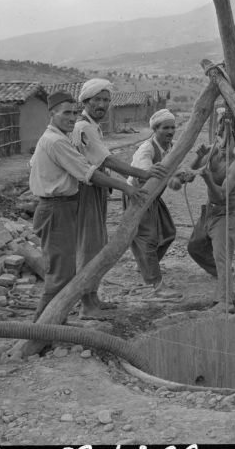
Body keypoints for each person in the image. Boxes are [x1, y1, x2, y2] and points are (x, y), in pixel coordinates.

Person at [28, 90, 147, 322]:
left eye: (74, 113)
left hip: (62, 207)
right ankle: (40, 331)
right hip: (56, 209)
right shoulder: (56, 141)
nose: (72, 118)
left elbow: (34, 164)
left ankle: (53, 326)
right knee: (60, 277)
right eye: (66, 113)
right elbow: (89, 172)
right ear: (52, 113)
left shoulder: (58, 138)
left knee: (63, 272)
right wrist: (127, 187)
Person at [70, 78, 167, 319]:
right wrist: (139, 175)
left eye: (106, 100)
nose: (102, 104)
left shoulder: (92, 125)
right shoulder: (84, 128)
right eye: (97, 100)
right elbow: (106, 161)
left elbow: (104, 160)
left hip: (96, 190)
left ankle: (93, 298)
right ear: (86, 101)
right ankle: (87, 305)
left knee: (96, 245)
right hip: (87, 192)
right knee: (89, 248)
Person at [185, 109, 235, 313]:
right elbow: (188, 176)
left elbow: (221, 196)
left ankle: (226, 302)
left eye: (228, 133)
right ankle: (223, 274)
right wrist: (196, 160)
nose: (222, 136)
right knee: (195, 247)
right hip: (209, 211)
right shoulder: (211, 151)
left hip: (225, 213)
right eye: (219, 128)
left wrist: (207, 177)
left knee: (221, 255)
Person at [123, 108, 181, 299]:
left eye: (173, 127)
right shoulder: (146, 149)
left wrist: (180, 176)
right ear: (155, 129)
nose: (170, 131)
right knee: (147, 238)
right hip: (140, 195)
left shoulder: (169, 147)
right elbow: (148, 174)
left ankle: (146, 266)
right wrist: (171, 178)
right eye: (166, 128)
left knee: (169, 232)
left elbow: (171, 176)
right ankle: (156, 284)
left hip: (153, 196)